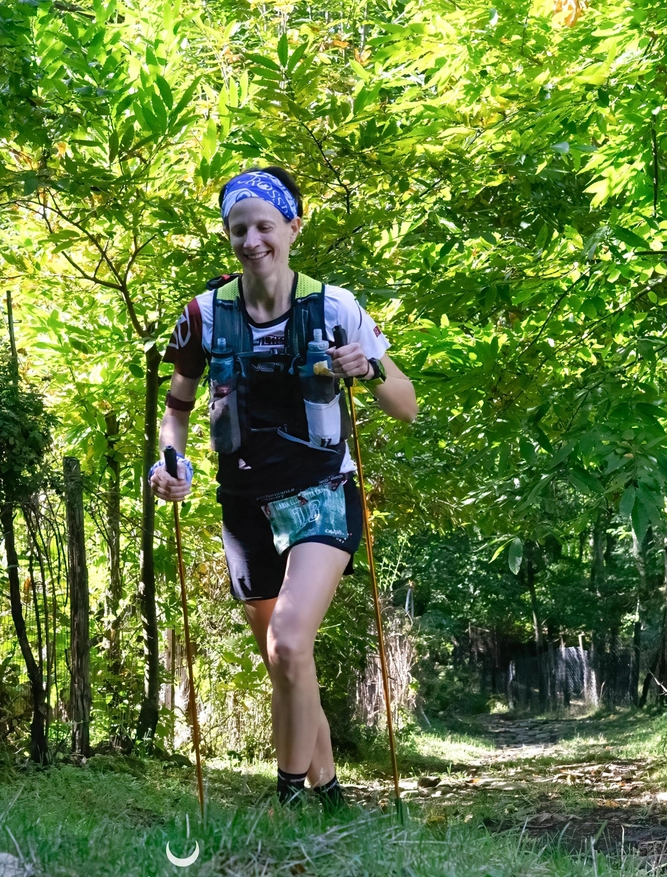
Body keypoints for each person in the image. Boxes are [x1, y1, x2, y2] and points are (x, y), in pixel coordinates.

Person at [151, 168, 417, 809]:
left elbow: (405, 404)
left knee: (290, 641)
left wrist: (370, 366)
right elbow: (178, 409)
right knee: (286, 665)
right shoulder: (204, 315)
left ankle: (288, 795)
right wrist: (170, 462)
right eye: (237, 228)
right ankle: (328, 797)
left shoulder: (333, 307)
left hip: (323, 489)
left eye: (264, 226)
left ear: (292, 228)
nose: (250, 240)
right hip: (243, 501)